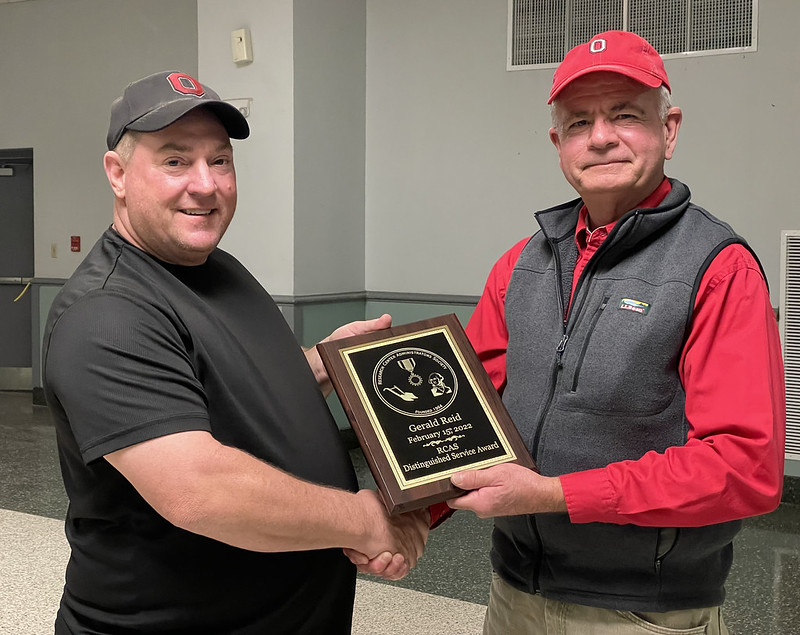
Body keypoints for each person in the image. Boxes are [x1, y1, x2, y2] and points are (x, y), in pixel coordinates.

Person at [42, 70, 428, 634]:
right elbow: (200, 491)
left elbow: (224, 389)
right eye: (175, 161)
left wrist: (326, 362)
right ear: (118, 174)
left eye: (219, 160)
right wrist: (366, 520)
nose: (206, 184)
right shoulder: (107, 313)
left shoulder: (214, 269)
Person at [446, 31, 786, 634]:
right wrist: (401, 521)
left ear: (670, 128)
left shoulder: (718, 268)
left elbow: (744, 469)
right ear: (558, 144)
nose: (600, 136)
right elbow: (464, 420)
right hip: (513, 593)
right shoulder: (519, 267)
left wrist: (555, 494)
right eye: (578, 123)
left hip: (641, 611)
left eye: (625, 115)